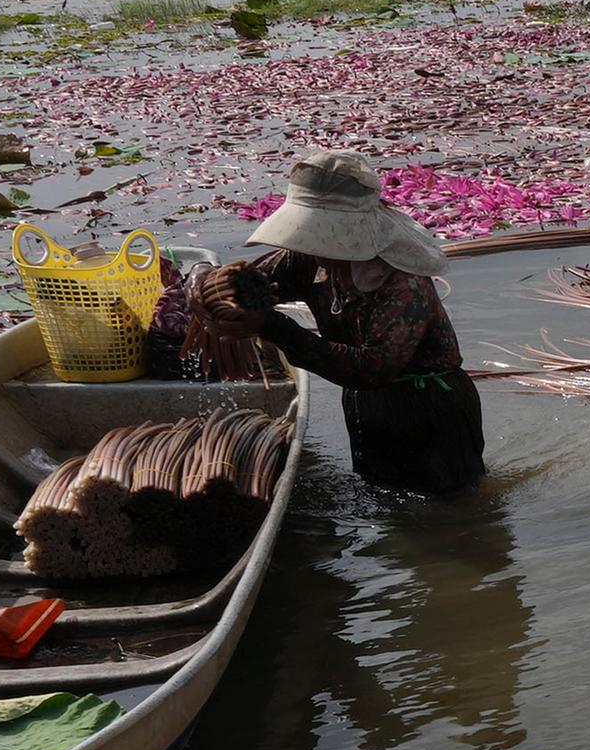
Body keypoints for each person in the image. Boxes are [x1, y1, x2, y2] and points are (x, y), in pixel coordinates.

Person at [196, 151, 484, 495]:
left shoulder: (401, 280)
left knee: (448, 508)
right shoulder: (306, 258)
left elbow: (372, 369)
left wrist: (274, 327)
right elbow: (249, 281)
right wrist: (203, 281)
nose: (310, 245)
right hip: (366, 404)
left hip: (426, 408)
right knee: (382, 498)